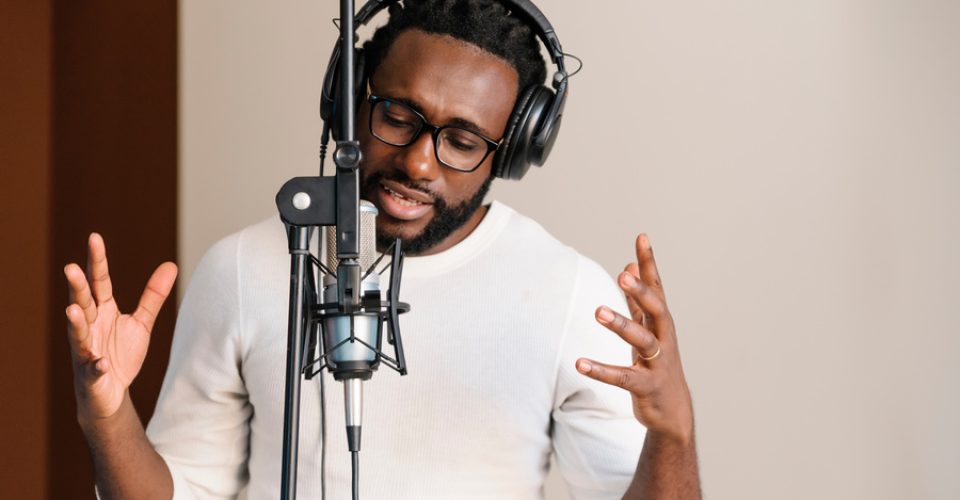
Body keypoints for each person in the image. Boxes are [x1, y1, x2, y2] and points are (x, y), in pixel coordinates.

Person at [63, 1, 701, 498]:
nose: (420, 161)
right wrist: (109, 419)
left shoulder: (569, 296)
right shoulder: (241, 270)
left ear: (511, 155)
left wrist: (672, 435)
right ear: (350, 99)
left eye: (463, 140)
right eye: (398, 116)